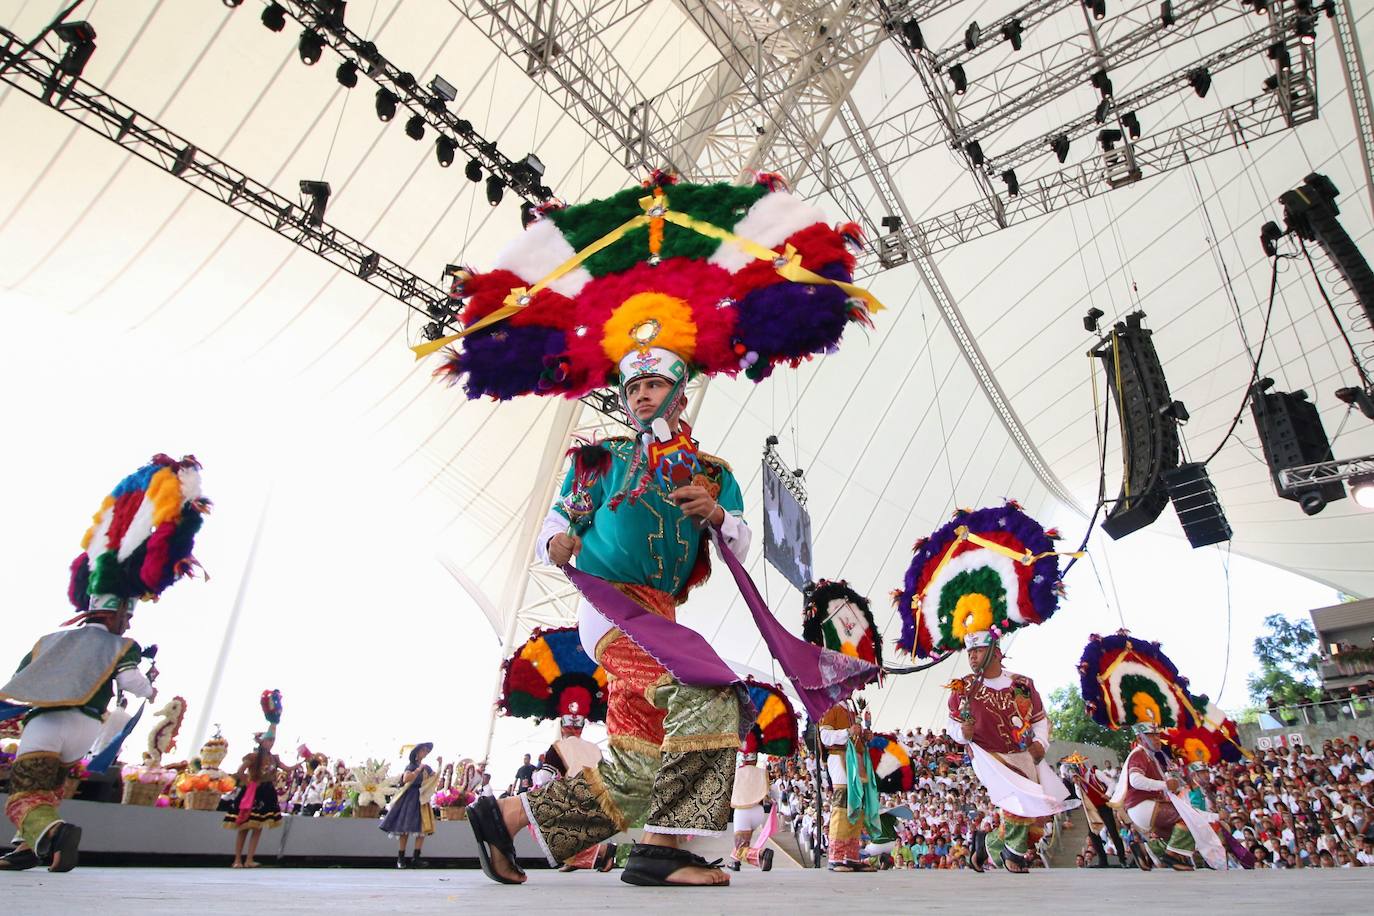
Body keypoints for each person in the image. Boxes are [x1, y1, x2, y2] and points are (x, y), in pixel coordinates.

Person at [1, 454, 208, 874]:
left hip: (47, 723)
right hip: (86, 729)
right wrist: (149, 686)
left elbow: (21, 682)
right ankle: (27, 848)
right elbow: (133, 684)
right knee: (52, 788)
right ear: (121, 613)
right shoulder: (123, 645)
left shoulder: (50, 640)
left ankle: (52, 833)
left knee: (25, 795)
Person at [946, 632, 1078, 873]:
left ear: (996, 652)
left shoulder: (1022, 684)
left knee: (1039, 817)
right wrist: (962, 733)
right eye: (970, 652)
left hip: (1025, 754)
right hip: (988, 756)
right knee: (1020, 799)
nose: (972, 657)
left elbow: (1039, 720)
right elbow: (952, 726)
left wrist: (1041, 743)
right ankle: (1013, 856)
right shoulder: (963, 688)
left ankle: (985, 846)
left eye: (978, 650)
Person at [1113, 723, 1205, 871]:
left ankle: (1146, 850)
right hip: (1143, 805)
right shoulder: (1139, 754)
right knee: (1190, 817)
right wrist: (1165, 785)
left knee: (1178, 835)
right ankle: (1172, 857)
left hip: (1146, 807)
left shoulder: (1150, 757)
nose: (1157, 739)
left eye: (1158, 735)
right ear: (1140, 738)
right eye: (1152, 735)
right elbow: (1135, 780)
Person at [222, 692, 294, 868]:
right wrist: (248, 782)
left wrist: (303, 762)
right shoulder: (253, 757)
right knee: (244, 826)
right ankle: (238, 859)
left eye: (272, 740)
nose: (271, 743)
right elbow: (239, 771)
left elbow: (287, 768)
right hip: (253, 791)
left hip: (266, 791)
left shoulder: (273, 758)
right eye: (269, 740)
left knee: (257, 827)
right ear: (262, 742)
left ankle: (249, 859)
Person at [1064, 755, 1128, 867]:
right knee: (1093, 835)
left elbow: (1112, 783)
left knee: (1112, 831)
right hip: (1091, 809)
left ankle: (1122, 859)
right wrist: (1077, 785)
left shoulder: (1095, 773)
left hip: (1103, 806)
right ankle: (1103, 861)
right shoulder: (1078, 781)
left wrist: (1108, 794)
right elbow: (1080, 796)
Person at [379, 743, 437, 868]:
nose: (426, 753)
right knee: (404, 828)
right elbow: (406, 779)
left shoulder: (426, 767)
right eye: (424, 750)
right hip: (410, 797)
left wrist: (440, 766)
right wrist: (418, 770)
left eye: (427, 751)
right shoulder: (412, 766)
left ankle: (416, 857)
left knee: (422, 827)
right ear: (417, 752)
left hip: (422, 797)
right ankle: (401, 858)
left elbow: (434, 778)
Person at [727, 742, 775, 872]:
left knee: (741, 846)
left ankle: (762, 853)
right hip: (758, 812)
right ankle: (735, 861)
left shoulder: (736, 772)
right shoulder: (761, 772)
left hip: (743, 811)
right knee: (743, 842)